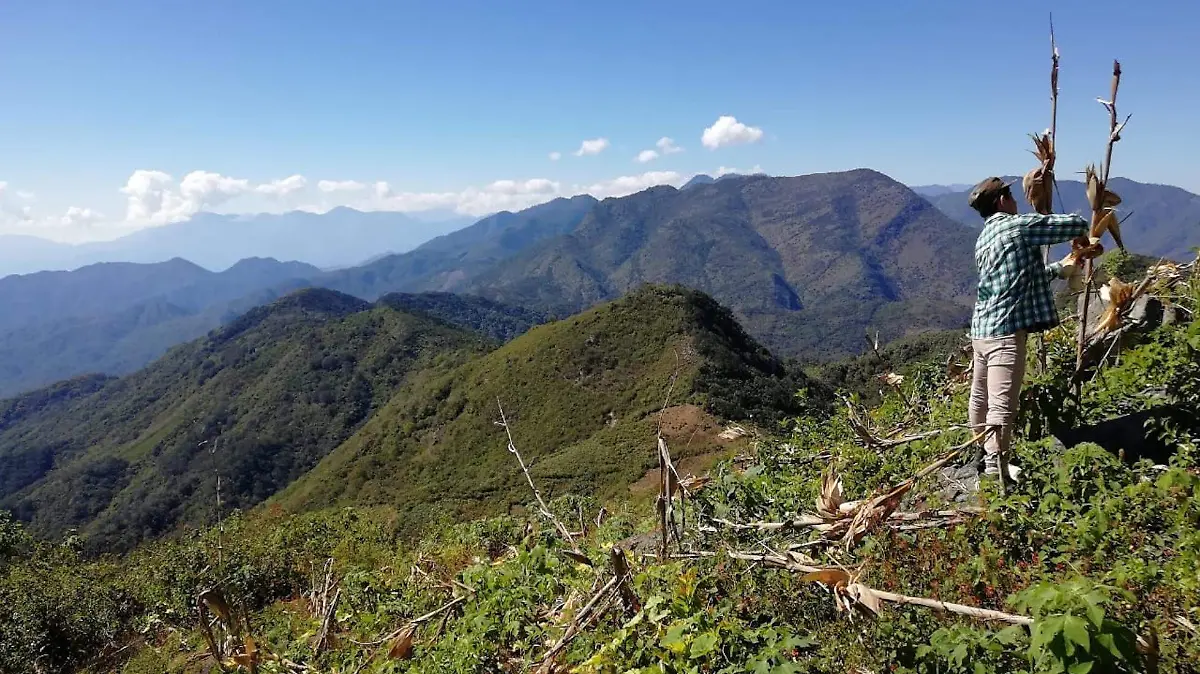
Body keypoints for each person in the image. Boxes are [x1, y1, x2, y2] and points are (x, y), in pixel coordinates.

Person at [965, 177, 1100, 481]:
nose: (1017, 201)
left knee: (980, 396)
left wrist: (1060, 268)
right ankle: (995, 467)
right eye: (1012, 196)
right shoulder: (1017, 227)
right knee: (1002, 403)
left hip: (981, 328)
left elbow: (1016, 278)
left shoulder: (985, 237)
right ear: (1002, 201)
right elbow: (1073, 224)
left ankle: (980, 450)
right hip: (1005, 331)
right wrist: (1084, 231)